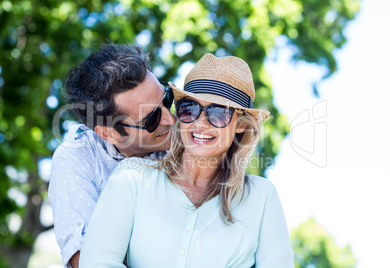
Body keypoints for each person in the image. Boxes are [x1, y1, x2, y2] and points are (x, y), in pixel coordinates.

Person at [79, 53, 294, 267]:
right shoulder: (132, 178)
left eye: (218, 113)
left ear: (241, 125)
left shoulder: (262, 198)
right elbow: (97, 262)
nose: (200, 123)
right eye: (189, 108)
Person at [48, 43, 176, 268]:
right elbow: (86, 260)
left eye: (167, 99)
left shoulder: (191, 136)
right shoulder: (75, 159)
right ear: (110, 134)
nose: (170, 120)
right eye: (152, 119)